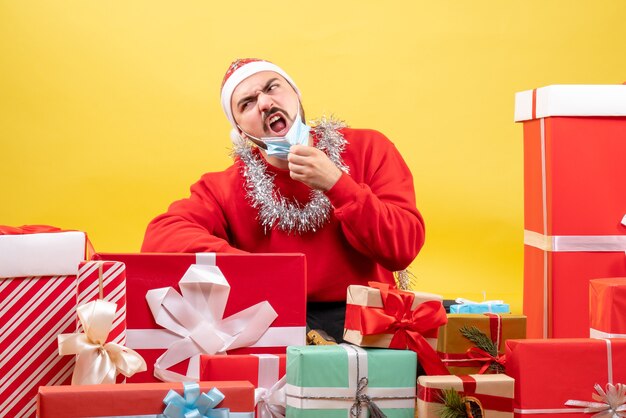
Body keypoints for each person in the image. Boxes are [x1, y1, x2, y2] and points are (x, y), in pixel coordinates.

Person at [141, 58, 425, 342]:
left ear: (296, 95)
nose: (264, 103)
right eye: (247, 103)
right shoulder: (225, 186)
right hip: (279, 327)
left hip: (371, 326)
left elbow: (402, 248)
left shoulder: (368, 149)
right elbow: (161, 237)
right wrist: (262, 271)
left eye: (272, 87)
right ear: (240, 131)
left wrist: (336, 183)